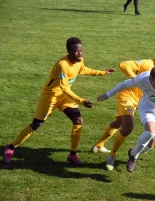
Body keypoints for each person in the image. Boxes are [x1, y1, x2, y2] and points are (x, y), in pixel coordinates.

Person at [2, 37, 116, 166]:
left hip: (64, 97)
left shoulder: (79, 60)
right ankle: (11, 147)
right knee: (36, 124)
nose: (79, 53)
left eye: (81, 50)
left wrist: (102, 72)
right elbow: (65, 88)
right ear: (68, 51)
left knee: (78, 120)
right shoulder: (63, 65)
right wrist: (81, 101)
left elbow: (82, 69)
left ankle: (72, 155)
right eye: (76, 51)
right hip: (50, 97)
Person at [91, 47, 155, 170]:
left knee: (119, 122)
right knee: (128, 126)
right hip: (127, 96)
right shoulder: (148, 64)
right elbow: (123, 65)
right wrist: (136, 80)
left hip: (142, 101)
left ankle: (99, 145)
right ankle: (112, 156)